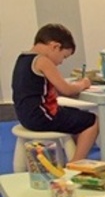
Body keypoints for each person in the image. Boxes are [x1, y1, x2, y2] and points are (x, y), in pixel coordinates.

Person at [12, 23, 98, 162]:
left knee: (75, 114)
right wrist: (83, 83)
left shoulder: (22, 59)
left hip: (25, 116)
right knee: (92, 121)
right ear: (55, 46)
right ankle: (76, 163)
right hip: (42, 116)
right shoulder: (42, 61)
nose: (61, 62)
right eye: (64, 56)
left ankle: (74, 153)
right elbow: (66, 90)